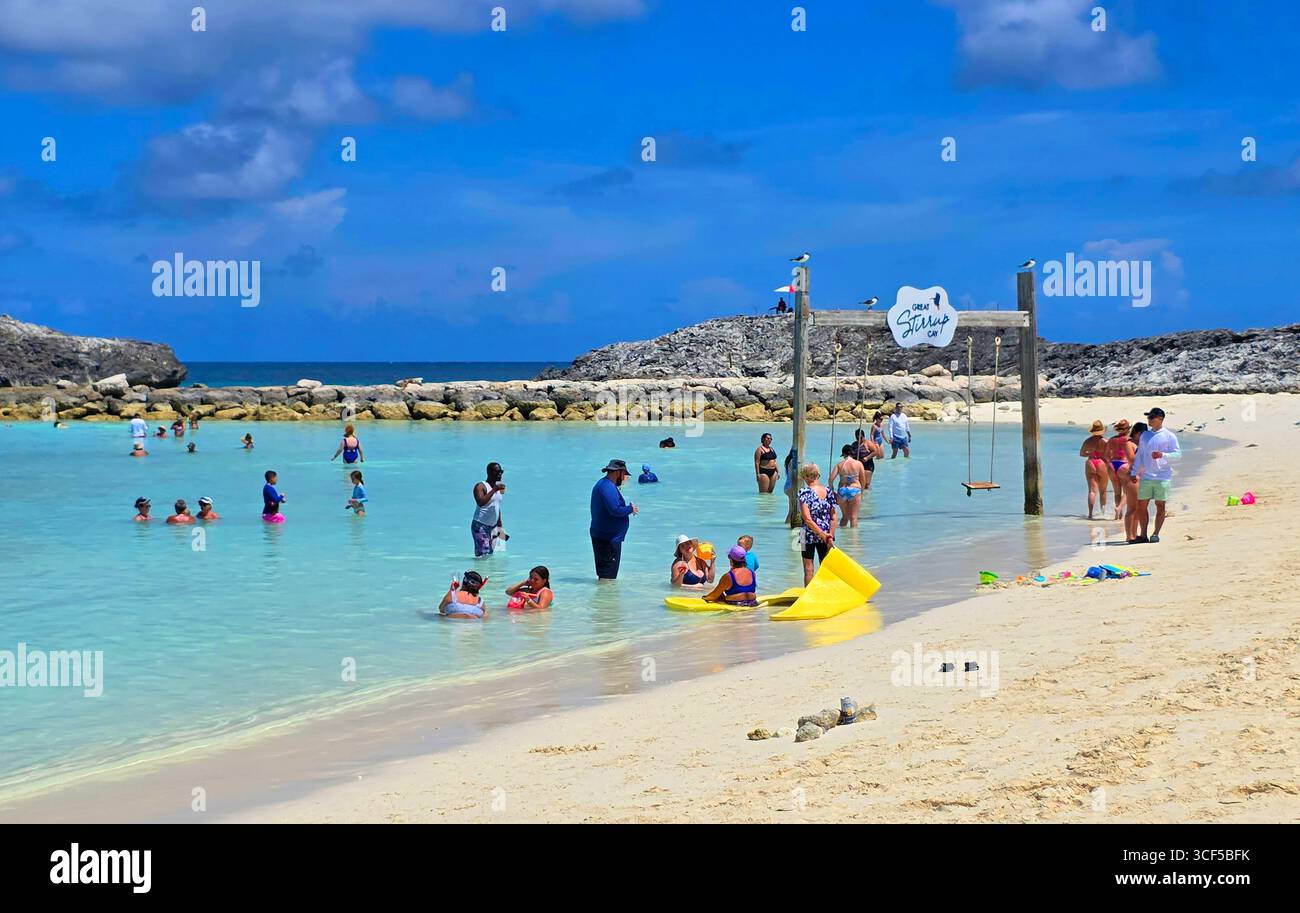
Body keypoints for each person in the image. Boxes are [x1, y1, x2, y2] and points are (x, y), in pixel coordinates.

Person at [1131, 407, 1181, 544]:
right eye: (1148, 417)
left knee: (1160, 506)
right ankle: (1143, 535)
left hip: (1162, 476)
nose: (1149, 420)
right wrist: (1134, 472)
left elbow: (1178, 455)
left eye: (1151, 417)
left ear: (1160, 419)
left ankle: (1156, 533)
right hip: (1146, 476)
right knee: (1141, 506)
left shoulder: (1169, 436)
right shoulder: (1145, 435)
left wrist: (1162, 455)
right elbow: (1140, 455)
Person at [589, 458, 637, 580]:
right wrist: (630, 509)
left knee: (605, 576)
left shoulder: (604, 484)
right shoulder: (607, 487)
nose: (624, 478)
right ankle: (606, 598)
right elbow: (615, 509)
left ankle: (604, 598)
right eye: (624, 474)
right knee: (608, 577)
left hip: (604, 536)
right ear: (618, 472)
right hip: (608, 539)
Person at [797, 463, 837, 585]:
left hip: (806, 534)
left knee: (808, 568)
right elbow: (834, 516)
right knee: (825, 567)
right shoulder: (829, 492)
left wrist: (822, 534)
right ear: (818, 475)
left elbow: (807, 519)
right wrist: (829, 535)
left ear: (804, 477)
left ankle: (808, 595)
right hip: (826, 533)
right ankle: (826, 593)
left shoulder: (804, 492)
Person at [471, 462, 506, 557]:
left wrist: (500, 528)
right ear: (489, 473)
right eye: (497, 472)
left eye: (501, 472)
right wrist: (494, 489)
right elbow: (481, 502)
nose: (500, 474)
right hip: (480, 525)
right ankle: (479, 571)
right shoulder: (481, 486)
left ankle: (488, 572)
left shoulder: (499, 488)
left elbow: (497, 507)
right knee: (483, 555)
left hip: (492, 526)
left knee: (490, 554)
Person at [1079, 420, 1111, 520]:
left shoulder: (1087, 441)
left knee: (1092, 491)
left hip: (1090, 462)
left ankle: (1090, 514)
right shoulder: (1105, 442)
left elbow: (1082, 454)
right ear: (1103, 431)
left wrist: (1091, 453)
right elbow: (1108, 456)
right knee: (1103, 491)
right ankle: (1103, 512)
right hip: (1101, 463)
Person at [831, 444, 866, 527]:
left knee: (845, 517)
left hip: (842, 490)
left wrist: (831, 489)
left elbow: (831, 479)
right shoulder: (858, 463)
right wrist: (862, 492)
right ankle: (853, 539)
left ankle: (844, 538)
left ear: (844, 454)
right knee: (853, 517)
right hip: (855, 489)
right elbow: (863, 480)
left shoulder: (839, 465)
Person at [1124, 422, 1146, 543]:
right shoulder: (1129, 443)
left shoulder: (1140, 444)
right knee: (1132, 508)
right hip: (1133, 476)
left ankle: (1134, 534)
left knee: (1139, 508)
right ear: (1137, 433)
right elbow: (1132, 460)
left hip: (1142, 476)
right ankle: (1129, 535)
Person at [1107, 419, 1133, 522]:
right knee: (1127, 491)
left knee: (1117, 492)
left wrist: (1110, 462)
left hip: (1112, 464)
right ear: (1128, 429)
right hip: (1123, 464)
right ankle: (1119, 508)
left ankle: (1118, 516)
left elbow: (1106, 455)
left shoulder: (1111, 439)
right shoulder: (1128, 440)